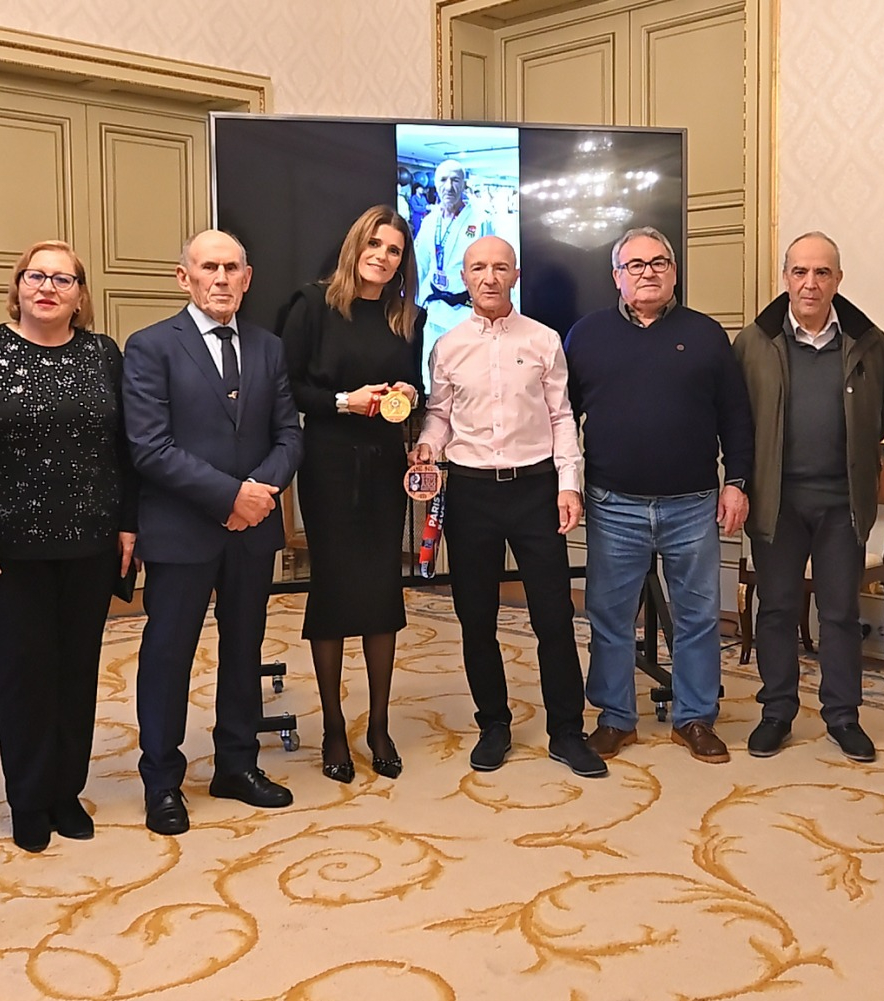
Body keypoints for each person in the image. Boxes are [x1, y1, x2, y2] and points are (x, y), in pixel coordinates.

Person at [0, 240, 138, 852]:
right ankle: (27, 796)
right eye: (35, 276)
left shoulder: (105, 355)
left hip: (90, 543)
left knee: (76, 672)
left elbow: (128, 446)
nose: (47, 287)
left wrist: (128, 525)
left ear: (80, 296)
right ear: (18, 286)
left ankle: (65, 791)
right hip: (5, 550)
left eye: (63, 279)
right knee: (23, 674)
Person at [123, 230, 304, 836]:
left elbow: (289, 437)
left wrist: (256, 496)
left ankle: (236, 765)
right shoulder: (149, 348)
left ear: (247, 279)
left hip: (251, 532)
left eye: (232, 268)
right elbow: (150, 447)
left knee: (243, 648)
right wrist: (230, 496)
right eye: (209, 268)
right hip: (182, 531)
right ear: (185, 278)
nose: (221, 279)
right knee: (169, 655)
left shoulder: (269, 347)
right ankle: (163, 781)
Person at [412, 235, 604, 777]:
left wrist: (570, 484)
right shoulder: (446, 347)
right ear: (465, 277)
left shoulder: (544, 340)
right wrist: (429, 445)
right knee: (476, 616)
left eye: (500, 268)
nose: (489, 278)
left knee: (554, 616)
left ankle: (566, 731)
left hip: (536, 489)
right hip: (470, 492)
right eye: (478, 269)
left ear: (515, 276)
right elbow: (440, 416)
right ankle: (492, 723)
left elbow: (563, 417)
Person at [564, 226, 753, 764]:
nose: (648, 272)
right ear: (616, 276)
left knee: (697, 616)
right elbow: (560, 419)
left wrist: (737, 481)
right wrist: (567, 485)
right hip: (613, 503)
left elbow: (736, 417)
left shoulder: (707, 334)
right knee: (609, 614)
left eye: (659, 262)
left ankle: (694, 717)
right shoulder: (586, 335)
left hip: (692, 503)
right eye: (635, 265)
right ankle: (615, 718)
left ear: (674, 270)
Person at [733, 232, 884, 762]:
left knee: (841, 614)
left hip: (841, 506)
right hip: (776, 503)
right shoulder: (754, 341)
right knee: (777, 610)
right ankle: (776, 711)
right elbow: (734, 423)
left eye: (822, 273)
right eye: (800, 272)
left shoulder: (869, 342)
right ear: (785, 278)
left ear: (838, 279)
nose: (810, 283)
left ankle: (843, 716)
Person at [280, 205, 424, 784]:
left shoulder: (405, 317)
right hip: (330, 463)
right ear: (354, 246)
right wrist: (347, 400)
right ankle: (335, 727)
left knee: (382, 588)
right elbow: (287, 387)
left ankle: (380, 724)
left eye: (393, 250)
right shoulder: (311, 305)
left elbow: (415, 393)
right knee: (336, 590)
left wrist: (407, 396)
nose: (383, 257)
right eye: (374, 244)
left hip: (386, 463)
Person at [412, 158, 495, 348]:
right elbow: (420, 265)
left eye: (455, 180)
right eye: (443, 180)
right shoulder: (429, 221)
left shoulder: (481, 220)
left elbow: (493, 267)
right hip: (433, 308)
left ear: (464, 184)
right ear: (434, 183)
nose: (449, 187)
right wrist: (409, 302)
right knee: (431, 367)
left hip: (466, 311)